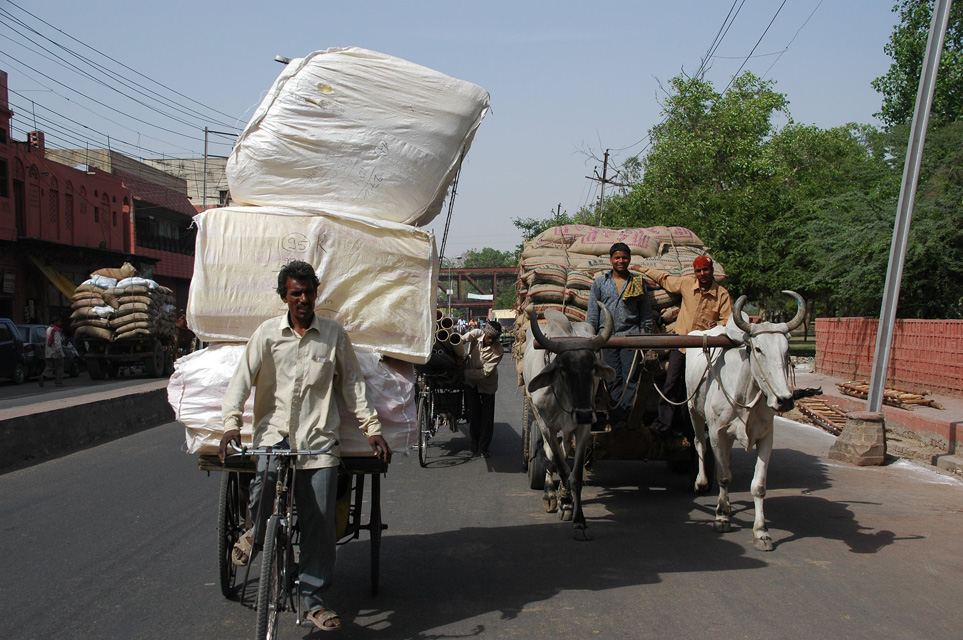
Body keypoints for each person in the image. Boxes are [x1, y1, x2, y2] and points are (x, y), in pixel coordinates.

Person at [218, 259, 391, 633]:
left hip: (317, 444)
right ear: (284, 296)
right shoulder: (266, 335)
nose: (302, 299)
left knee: (319, 523)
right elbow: (240, 382)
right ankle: (257, 533)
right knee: (262, 484)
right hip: (273, 436)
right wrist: (230, 426)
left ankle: (314, 601)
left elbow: (353, 387)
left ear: (316, 295)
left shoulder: (332, 335)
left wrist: (372, 428)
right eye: (295, 293)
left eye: (308, 292)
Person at [636, 255, 732, 437]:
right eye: (699, 270)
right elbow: (665, 279)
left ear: (712, 271)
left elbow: (727, 319)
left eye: (706, 270)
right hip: (680, 344)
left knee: (695, 389)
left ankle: (689, 428)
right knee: (671, 382)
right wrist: (643, 269)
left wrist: (718, 324)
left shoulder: (722, 294)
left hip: (703, 350)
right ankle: (663, 425)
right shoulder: (687, 285)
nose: (702, 274)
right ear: (694, 273)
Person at [586, 242, 655, 426]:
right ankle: (618, 418)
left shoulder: (638, 283)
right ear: (611, 260)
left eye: (624, 257)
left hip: (631, 337)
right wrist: (590, 338)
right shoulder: (600, 283)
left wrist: (645, 335)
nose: (621, 261)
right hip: (606, 339)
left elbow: (646, 313)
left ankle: (626, 420)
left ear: (629, 259)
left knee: (631, 379)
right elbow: (593, 313)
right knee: (612, 378)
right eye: (617, 257)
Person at [461, 321, 504, 457]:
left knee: (487, 416)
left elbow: (485, 373)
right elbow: (462, 339)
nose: (490, 340)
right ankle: (474, 441)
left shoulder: (498, 350)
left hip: (487, 385)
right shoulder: (476, 334)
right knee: (474, 413)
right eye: (489, 336)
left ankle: (484, 447)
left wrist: (463, 373)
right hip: (471, 383)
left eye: (494, 338)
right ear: (484, 333)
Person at [40, 318, 65, 387]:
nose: (60, 323)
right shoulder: (56, 331)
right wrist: (59, 353)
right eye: (59, 322)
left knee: (49, 366)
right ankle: (58, 382)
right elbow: (57, 343)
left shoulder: (48, 329)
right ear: (55, 322)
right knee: (59, 367)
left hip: (48, 352)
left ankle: (43, 375)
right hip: (56, 353)